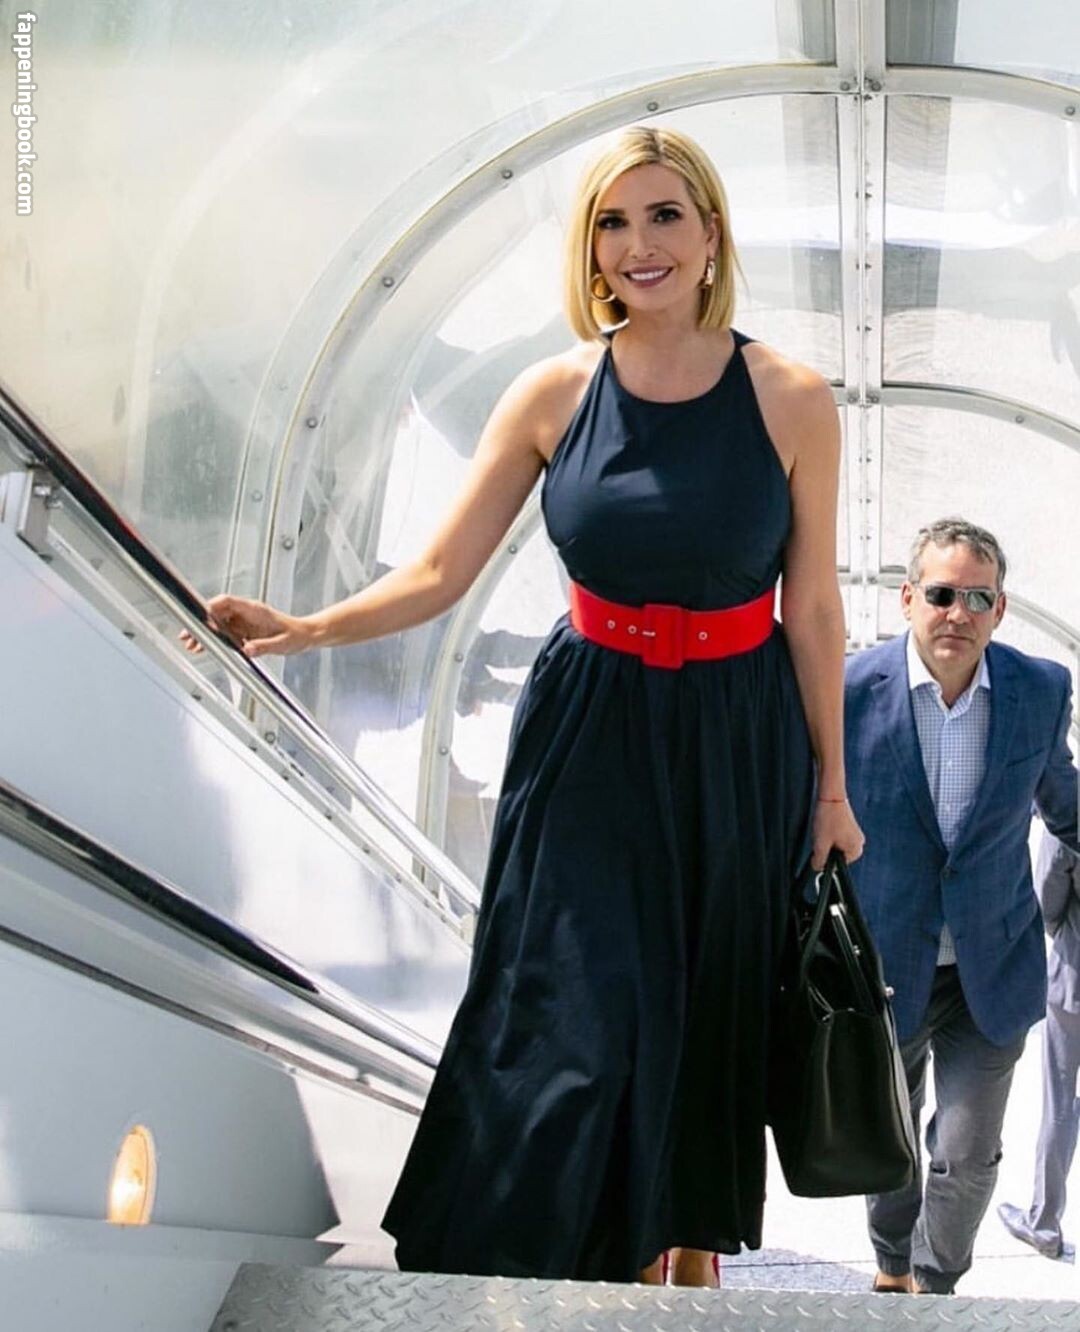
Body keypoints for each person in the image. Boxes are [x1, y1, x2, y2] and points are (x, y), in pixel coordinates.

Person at [186, 126, 862, 1284]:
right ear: (589, 250)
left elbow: (812, 611)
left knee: (701, 1012)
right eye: (612, 222)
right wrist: (305, 630)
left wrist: (833, 790)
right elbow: (438, 572)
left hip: (735, 740)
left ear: (711, 235)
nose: (639, 244)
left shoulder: (791, 398)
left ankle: (684, 1262)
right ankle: (578, 1268)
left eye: (664, 215)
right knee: (569, 1014)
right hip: (588, 734)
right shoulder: (552, 394)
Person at [843, 517, 1080, 1295]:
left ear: (1000, 609)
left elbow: (1066, 805)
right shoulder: (847, 691)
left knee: (968, 1152)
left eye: (979, 598)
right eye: (943, 594)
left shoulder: (1038, 691)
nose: (959, 613)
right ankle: (891, 1263)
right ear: (909, 598)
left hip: (991, 966)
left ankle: (935, 1281)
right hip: (884, 966)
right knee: (890, 1138)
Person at [997, 828, 1080, 1263]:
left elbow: (1048, 901)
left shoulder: (1072, 814)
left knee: (1060, 1102)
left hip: (1074, 980)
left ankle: (1045, 1224)